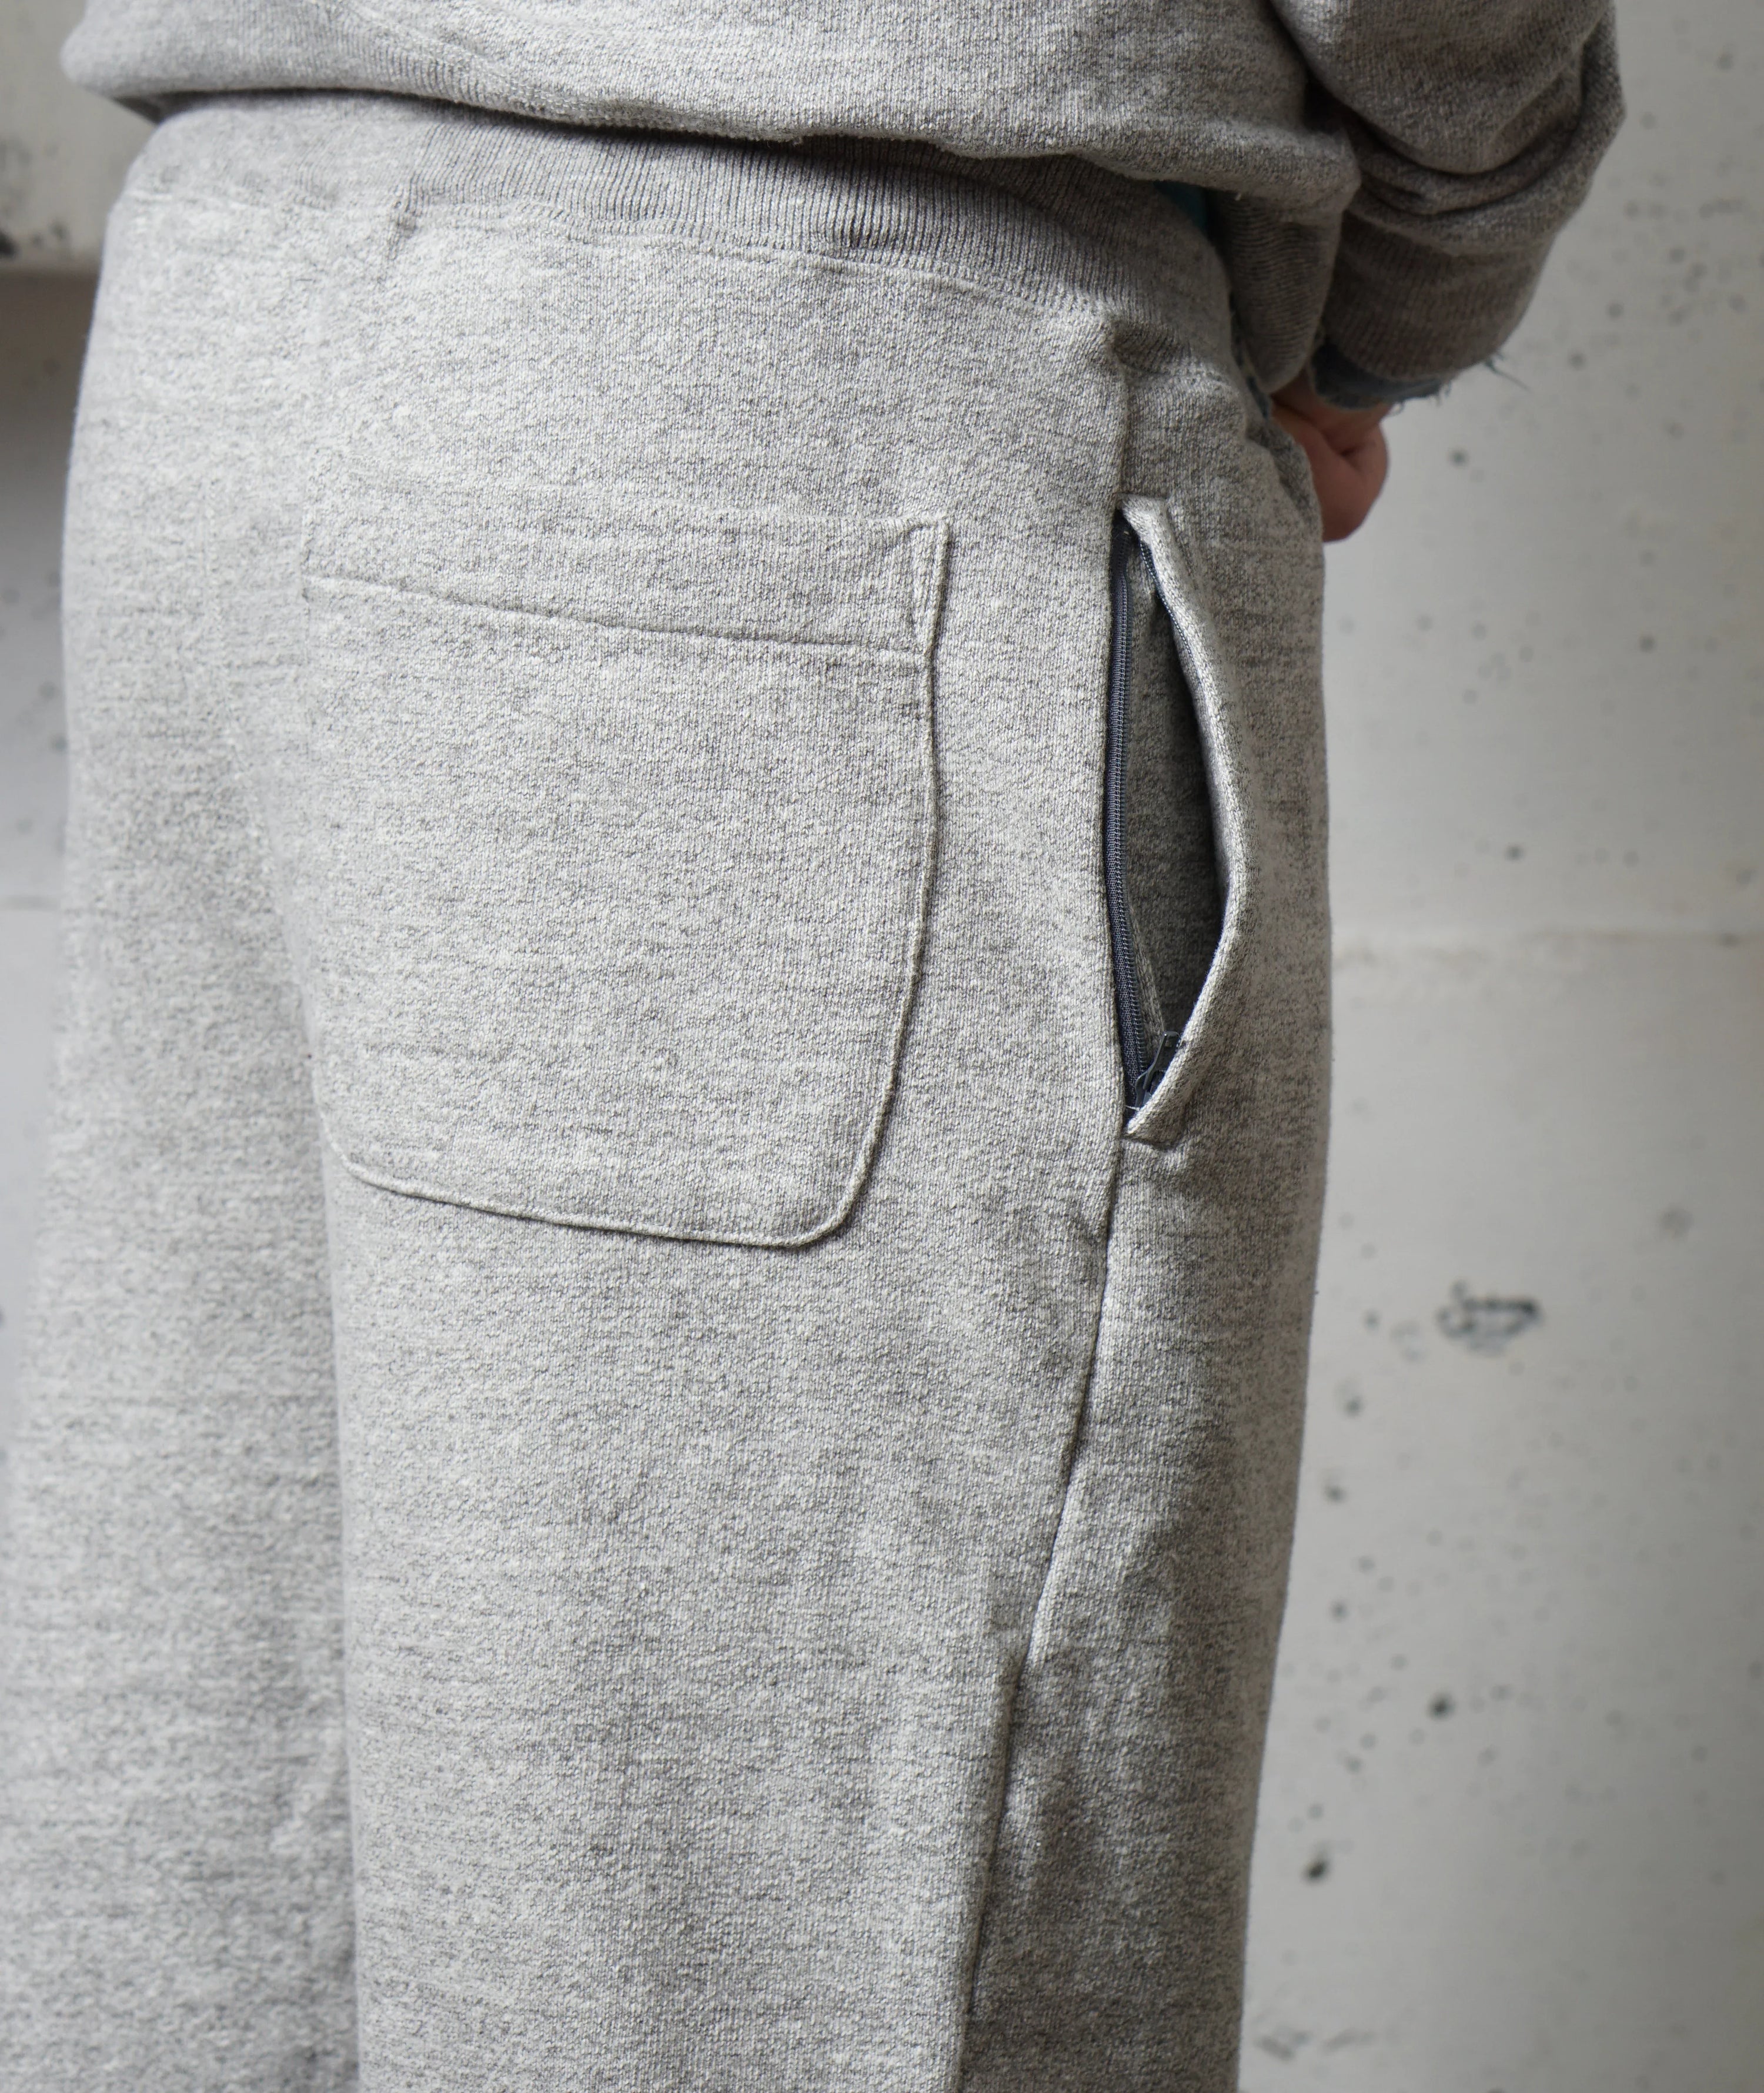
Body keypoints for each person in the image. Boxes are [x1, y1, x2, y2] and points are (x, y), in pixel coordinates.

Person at [0, 6, 1619, 2088]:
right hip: (804, 398)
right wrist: (1396, 298)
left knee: (242, 1886)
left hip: (246, 318)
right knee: (771, 1966)